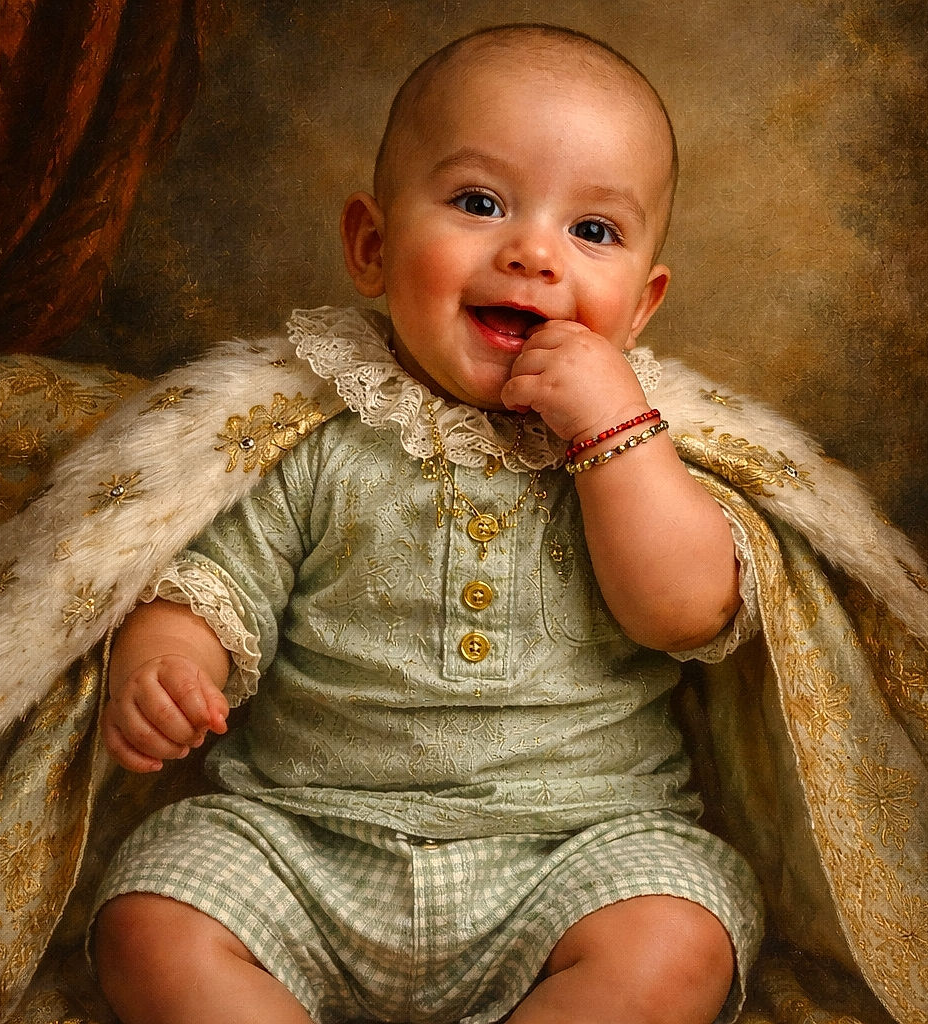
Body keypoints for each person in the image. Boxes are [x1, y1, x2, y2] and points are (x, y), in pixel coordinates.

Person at [90, 24, 766, 1024]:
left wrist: (615, 434)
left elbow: (685, 609)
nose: (533, 251)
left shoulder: (647, 443)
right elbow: (211, 585)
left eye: (594, 231)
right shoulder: (314, 433)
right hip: (304, 840)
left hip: (575, 852)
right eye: (478, 203)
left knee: (676, 940)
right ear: (371, 244)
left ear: (639, 308)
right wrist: (164, 661)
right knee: (149, 921)